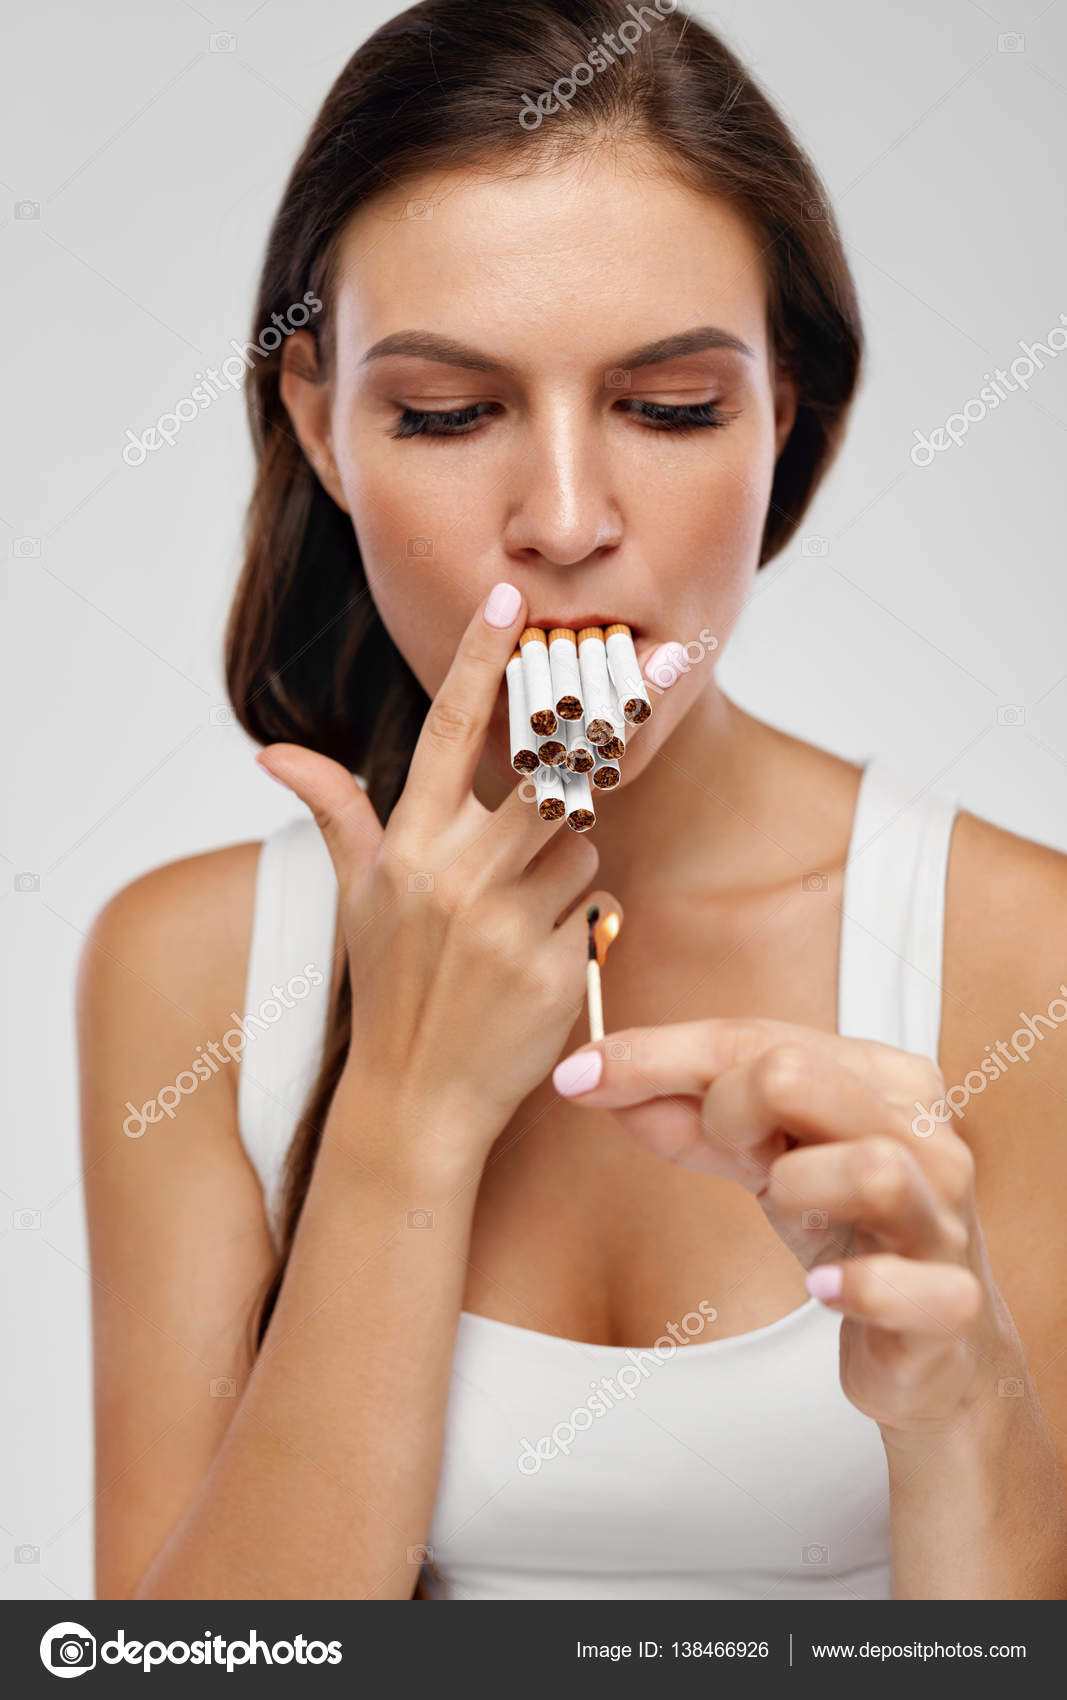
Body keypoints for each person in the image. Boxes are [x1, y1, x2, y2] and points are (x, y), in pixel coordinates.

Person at [78, 0, 1067, 1601]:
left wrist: (960, 1404)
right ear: (318, 421)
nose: (561, 518)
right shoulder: (186, 973)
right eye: (447, 414)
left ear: (788, 407)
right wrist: (405, 1115)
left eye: (669, 408)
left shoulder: (1028, 957)